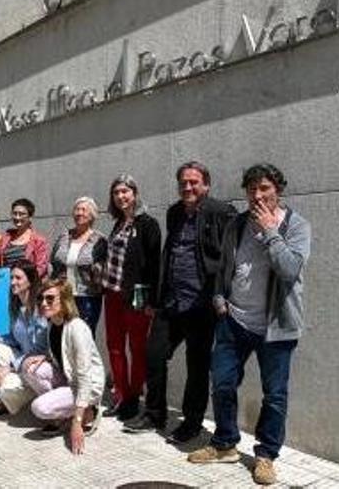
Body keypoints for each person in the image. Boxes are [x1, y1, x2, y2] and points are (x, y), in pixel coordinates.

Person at [186, 163, 311, 486]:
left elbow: (289, 269)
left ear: (278, 190)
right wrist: (218, 299)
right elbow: (223, 266)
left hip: (276, 325)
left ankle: (266, 455)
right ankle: (225, 442)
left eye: (265, 189)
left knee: (275, 395)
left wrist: (270, 231)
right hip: (234, 320)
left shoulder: (296, 226)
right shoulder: (237, 224)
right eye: (252, 189)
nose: (257, 195)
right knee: (223, 381)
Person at [125, 162, 236, 443]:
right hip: (171, 302)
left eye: (194, 182)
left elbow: (229, 258)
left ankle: (192, 422)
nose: (187, 187)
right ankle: (154, 413)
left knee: (197, 366)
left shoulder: (221, 212)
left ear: (206, 185)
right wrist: (156, 296)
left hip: (201, 305)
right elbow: (168, 253)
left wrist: (223, 295)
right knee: (153, 354)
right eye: (183, 182)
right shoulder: (175, 212)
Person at [101, 174, 161, 421]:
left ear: (135, 194)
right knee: (114, 347)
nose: (121, 196)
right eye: (116, 193)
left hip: (136, 296)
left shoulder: (147, 224)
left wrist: (151, 301)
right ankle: (121, 394)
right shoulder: (117, 224)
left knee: (137, 348)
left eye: (125, 191)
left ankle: (134, 398)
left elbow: (155, 264)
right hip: (111, 293)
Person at [26, 279, 106, 455]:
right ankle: (62, 414)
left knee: (39, 408)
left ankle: (89, 412)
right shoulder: (52, 325)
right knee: (31, 369)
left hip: (86, 386)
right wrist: (45, 357)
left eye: (50, 299)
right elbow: (62, 353)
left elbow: (85, 376)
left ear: (64, 300)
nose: (44, 303)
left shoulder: (77, 327)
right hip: (70, 380)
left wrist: (77, 423)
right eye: (41, 299)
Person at [0, 262, 49, 418]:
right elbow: (15, 339)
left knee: (7, 385)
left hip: (37, 365)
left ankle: (31, 396)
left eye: (18, 278)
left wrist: (10, 367)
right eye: (11, 278)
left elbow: (41, 350)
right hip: (23, 361)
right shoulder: (16, 306)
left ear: (30, 281)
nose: (13, 282)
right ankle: (6, 400)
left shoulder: (39, 309)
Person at [50, 197, 107, 329]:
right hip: (63, 294)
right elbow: (52, 262)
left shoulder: (99, 240)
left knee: (84, 335)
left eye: (84, 210)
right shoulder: (63, 236)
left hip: (87, 297)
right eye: (77, 209)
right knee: (61, 334)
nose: (79, 213)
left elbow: (103, 270)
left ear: (92, 215)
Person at [0, 198, 50, 278]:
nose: (17, 217)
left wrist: (25, 281)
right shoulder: (4, 239)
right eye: (15, 213)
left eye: (22, 214)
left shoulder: (39, 241)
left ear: (30, 217)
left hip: (27, 286)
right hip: (5, 284)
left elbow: (41, 267)